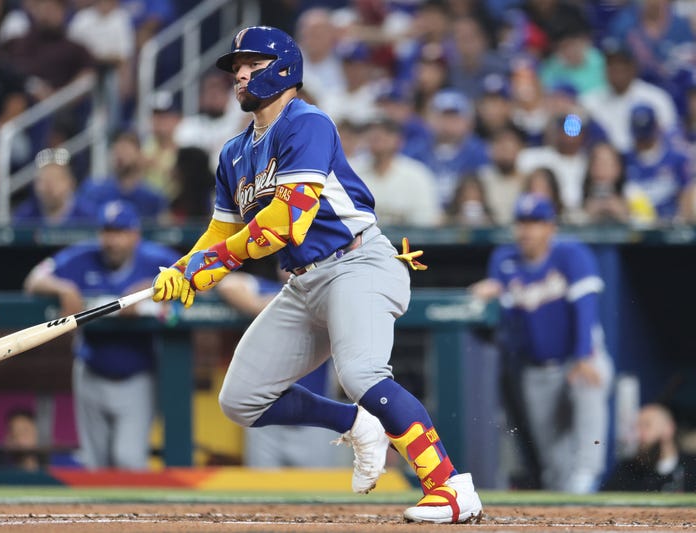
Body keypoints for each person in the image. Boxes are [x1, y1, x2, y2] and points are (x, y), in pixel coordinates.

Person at [151, 26, 482, 524]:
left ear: (284, 68)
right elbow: (220, 230)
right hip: (303, 281)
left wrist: (212, 265)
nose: (240, 74)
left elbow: (288, 220)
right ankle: (355, 423)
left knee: (361, 373)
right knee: (241, 399)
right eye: (236, 67)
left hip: (358, 262)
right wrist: (182, 269)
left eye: (252, 65)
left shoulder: (307, 122)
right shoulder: (233, 153)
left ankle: (450, 486)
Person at [470, 193, 614, 494]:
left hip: (581, 356)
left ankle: (587, 479)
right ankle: (564, 502)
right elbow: (505, 314)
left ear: (551, 227)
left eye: (535, 222)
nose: (527, 230)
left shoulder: (571, 253)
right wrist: (487, 295)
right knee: (553, 462)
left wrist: (583, 355)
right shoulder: (504, 259)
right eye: (522, 223)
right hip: (538, 368)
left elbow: (586, 307)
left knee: (588, 388)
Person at [24, 200, 180, 469]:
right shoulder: (82, 257)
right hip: (90, 370)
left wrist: (154, 290)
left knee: (129, 461)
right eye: (107, 232)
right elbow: (34, 279)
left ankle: (134, 514)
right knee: (95, 464)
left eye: (120, 232)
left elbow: (198, 280)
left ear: (135, 235)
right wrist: (62, 288)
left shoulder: (157, 260)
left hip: (137, 374)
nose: (112, 240)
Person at [215, 269, 342, 468]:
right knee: (263, 489)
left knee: (320, 488)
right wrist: (262, 307)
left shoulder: (326, 295)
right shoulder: (274, 291)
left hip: (315, 419)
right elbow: (229, 283)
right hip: (266, 416)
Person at [601, 403, 696, 492]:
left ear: (668, 429)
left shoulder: (692, 467)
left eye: (646, 425)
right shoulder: (627, 470)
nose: (639, 434)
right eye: (636, 427)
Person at [13, 147, 95, 227]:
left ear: (70, 182)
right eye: (43, 180)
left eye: (55, 179)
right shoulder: (25, 216)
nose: (49, 188)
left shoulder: (87, 216)